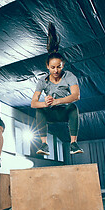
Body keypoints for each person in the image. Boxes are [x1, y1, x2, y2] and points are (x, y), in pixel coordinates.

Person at [31, 23, 83, 155]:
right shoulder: (43, 81)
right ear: (47, 66)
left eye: (59, 67)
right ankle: (44, 144)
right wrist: (46, 103)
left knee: (73, 108)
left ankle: (73, 144)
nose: (56, 70)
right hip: (51, 112)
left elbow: (76, 96)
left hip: (64, 111)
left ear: (63, 65)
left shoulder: (69, 76)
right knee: (39, 110)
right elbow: (33, 103)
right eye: (53, 67)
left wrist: (57, 101)